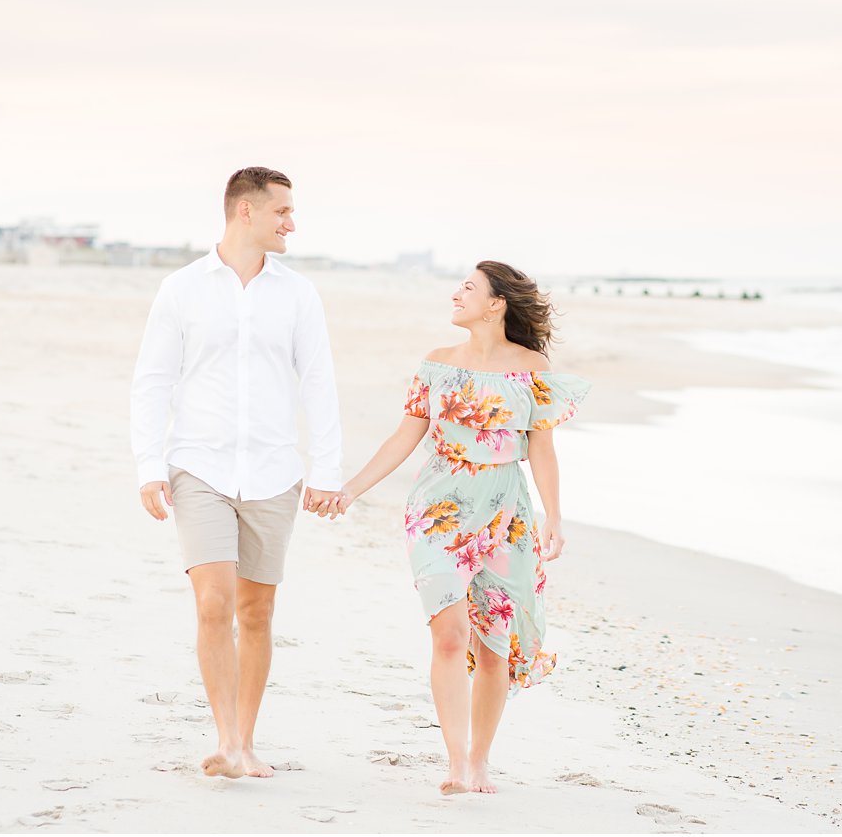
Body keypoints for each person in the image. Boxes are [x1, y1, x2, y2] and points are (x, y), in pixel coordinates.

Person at [310, 260, 589, 795]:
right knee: (448, 635)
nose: (455, 294)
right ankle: (456, 762)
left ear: (496, 303)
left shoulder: (532, 366)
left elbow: (543, 448)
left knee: (492, 646)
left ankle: (480, 761)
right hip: (437, 512)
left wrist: (553, 515)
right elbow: (403, 437)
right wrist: (351, 489)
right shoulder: (436, 365)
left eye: (468, 288)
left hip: (505, 514)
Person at [130, 166, 343, 780]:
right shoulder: (182, 289)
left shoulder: (298, 294)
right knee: (213, 603)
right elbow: (153, 380)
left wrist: (327, 470)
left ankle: (246, 741)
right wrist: (150, 464)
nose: (292, 223)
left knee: (256, 611)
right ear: (244, 211)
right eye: (283, 212)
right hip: (199, 466)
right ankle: (226, 741)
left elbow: (319, 383)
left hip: (275, 472)